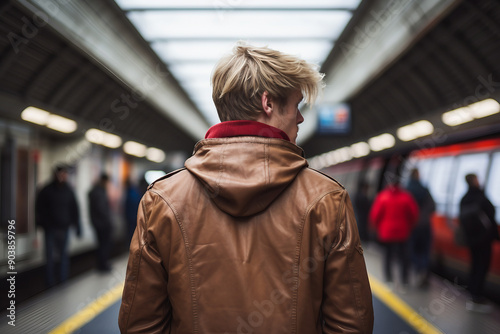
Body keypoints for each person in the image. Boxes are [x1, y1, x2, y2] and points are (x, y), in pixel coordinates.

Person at [119, 42, 374, 333]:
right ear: (267, 104)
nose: (300, 118)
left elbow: (140, 325)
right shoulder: (327, 199)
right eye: (295, 106)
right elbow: (351, 324)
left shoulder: (162, 200)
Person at [370, 175, 419, 289]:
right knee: (404, 257)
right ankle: (404, 280)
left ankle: (389, 278)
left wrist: (375, 228)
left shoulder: (382, 197)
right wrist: (410, 226)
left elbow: (375, 215)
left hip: (386, 233)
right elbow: (414, 214)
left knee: (387, 256)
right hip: (403, 232)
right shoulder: (406, 197)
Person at [35, 164, 81, 287]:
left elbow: (74, 208)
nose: (63, 176)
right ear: (55, 174)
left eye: (65, 174)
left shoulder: (69, 190)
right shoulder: (46, 190)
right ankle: (49, 283)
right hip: (50, 229)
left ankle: (63, 281)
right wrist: (41, 224)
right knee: (49, 257)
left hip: (64, 228)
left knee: (63, 256)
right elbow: (39, 208)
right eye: (61, 174)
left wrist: (77, 226)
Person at [459, 173, 499, 312]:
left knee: (475, 266)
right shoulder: (481, 198)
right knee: (482, 267)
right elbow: (491, 217)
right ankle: (476, 297)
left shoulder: (464, 199)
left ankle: (472, 294)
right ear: (475, 181)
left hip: (472, 240)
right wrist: (495, 236)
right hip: (484, 240)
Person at [406, 168, 435, 288]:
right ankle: (423, 270)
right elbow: (433, 206)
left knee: (413, 249)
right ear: (417, 175)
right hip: (425, 225)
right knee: (425, 250)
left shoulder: (407, 190)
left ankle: (417, 269)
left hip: (412, 225)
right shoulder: (425, 189)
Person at [88, 173, 113, 272]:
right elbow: (101, 209)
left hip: (97, 223)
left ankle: (101, 264)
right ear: (104, 181)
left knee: (101, 244)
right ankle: (103, 265)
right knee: (104, 245)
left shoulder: (95, 191)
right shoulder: (99, 192)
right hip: (103, 223)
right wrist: (108, 221)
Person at [124, 178, 141, 244]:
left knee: (132, 235)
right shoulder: (135, 192)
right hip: (135, 216)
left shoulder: (130, 193)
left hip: (132, 217)